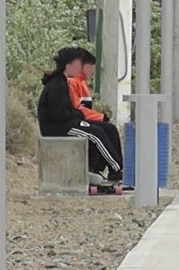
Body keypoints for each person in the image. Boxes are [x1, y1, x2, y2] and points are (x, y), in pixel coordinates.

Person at [38, 47, 124, 182]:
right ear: (68, 65)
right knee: (96, 134)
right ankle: (117, 169)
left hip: (67, 123)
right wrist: (77, 114)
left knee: (108, 129)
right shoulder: (57, 84)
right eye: (78, 64)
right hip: (58, 127)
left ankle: (102, 171)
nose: (80, 68)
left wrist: (77, 115)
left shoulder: (64, 82)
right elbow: (58, 114)